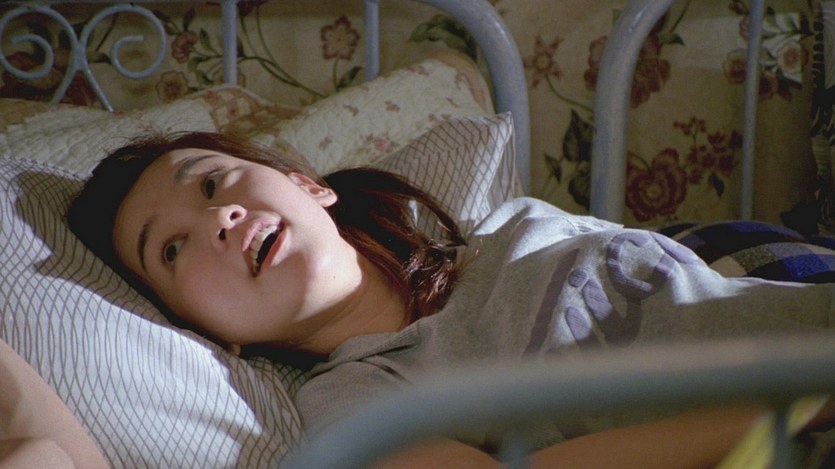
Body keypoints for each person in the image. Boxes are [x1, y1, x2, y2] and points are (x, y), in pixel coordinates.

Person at [66, 131, 835, 468]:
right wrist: (798, 399)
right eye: (171, 250)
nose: (217, 220)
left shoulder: (521, 225)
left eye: (211, 182)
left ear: (307, 184)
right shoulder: (356, 404)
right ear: (204, 330)